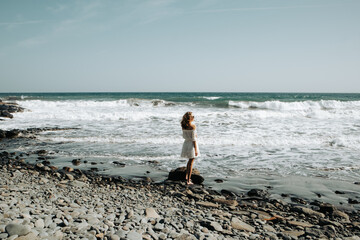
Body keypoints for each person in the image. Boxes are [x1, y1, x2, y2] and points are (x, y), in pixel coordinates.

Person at [181, 112, 200, 185]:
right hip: (191, 144)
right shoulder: (192, 126)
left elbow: (185, 136)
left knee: (189, 162)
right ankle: (188, 180)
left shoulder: (183, 126)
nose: (194, 117)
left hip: (186, 144)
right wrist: (195, 150)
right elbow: (194, 139)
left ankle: (186, 177)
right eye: (193, 116)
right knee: (191, 162)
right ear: (190, 118)